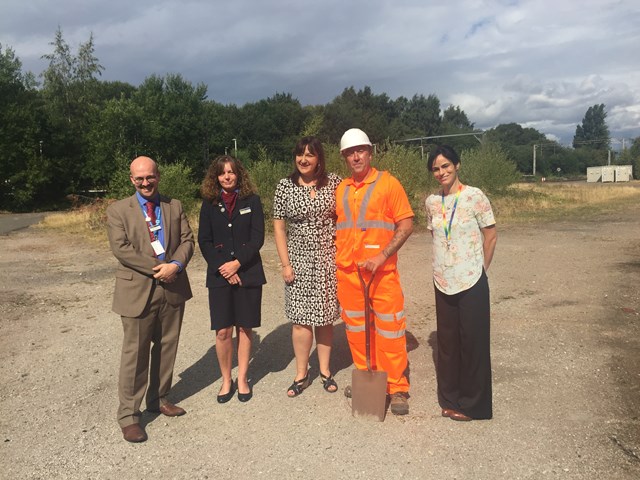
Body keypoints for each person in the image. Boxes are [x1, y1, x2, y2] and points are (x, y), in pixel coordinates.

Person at [106, 156, 194, 443]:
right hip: (138, 290)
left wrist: (176, 266)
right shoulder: (118, 210)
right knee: (135, 353)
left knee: (167, 346)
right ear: (132, 179)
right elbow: (121, 249)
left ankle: (159, 398)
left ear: (158, 175)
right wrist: (158, 269)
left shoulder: (174, 206)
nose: (146, 182)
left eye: (150, 177)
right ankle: (130, 416)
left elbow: (186, 241)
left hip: (172, 285)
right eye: (139, 178)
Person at [335, 128, 414, 415]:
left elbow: (405, 225)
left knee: (390, 331)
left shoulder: (388, 183)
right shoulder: (341, 188)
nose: (356, 156)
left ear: (370, 152)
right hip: (349, 273)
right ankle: (367, 378)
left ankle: (397, 387)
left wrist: (381, 256)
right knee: (356, 331)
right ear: (344, 157)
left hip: (382, 274)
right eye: (350, 152)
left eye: (360, 150)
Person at [425, 145, 497, 421]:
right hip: (443, 280)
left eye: (446, 166)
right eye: (436, 168)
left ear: (457, 165)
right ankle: (451, 398)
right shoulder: (432, 202)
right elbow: (436, 237)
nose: (441, 172)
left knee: (473, 342)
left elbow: (490, 236)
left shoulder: (474, 196)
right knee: (448, 342)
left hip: (471, 280)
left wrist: (481, 269)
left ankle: (474, 406)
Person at [273, 136, 342, 397]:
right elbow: (279, 226)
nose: (303, 159)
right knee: (301, 321)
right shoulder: (285, 186)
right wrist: (285, 263)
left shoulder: (334, 183)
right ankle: (301, 373)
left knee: (325, 319)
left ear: (319, 159)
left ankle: (325, 370)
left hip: (328, 259)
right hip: (298, 260)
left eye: (310, 154)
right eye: (299, 154)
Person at [198, 155, 266, 404]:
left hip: (247, 272)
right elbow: (203, 240)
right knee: (223, 331)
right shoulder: (208, 203)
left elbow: (257, 237)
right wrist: (224, 267)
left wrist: (237, 263)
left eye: (231, 172)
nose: (227, 176)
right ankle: (226, 379)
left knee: (244, 327)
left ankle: (244, 378)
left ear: (239, 174)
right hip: (219, 276)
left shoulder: (252, 201)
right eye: (222, 173)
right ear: (215, 177)